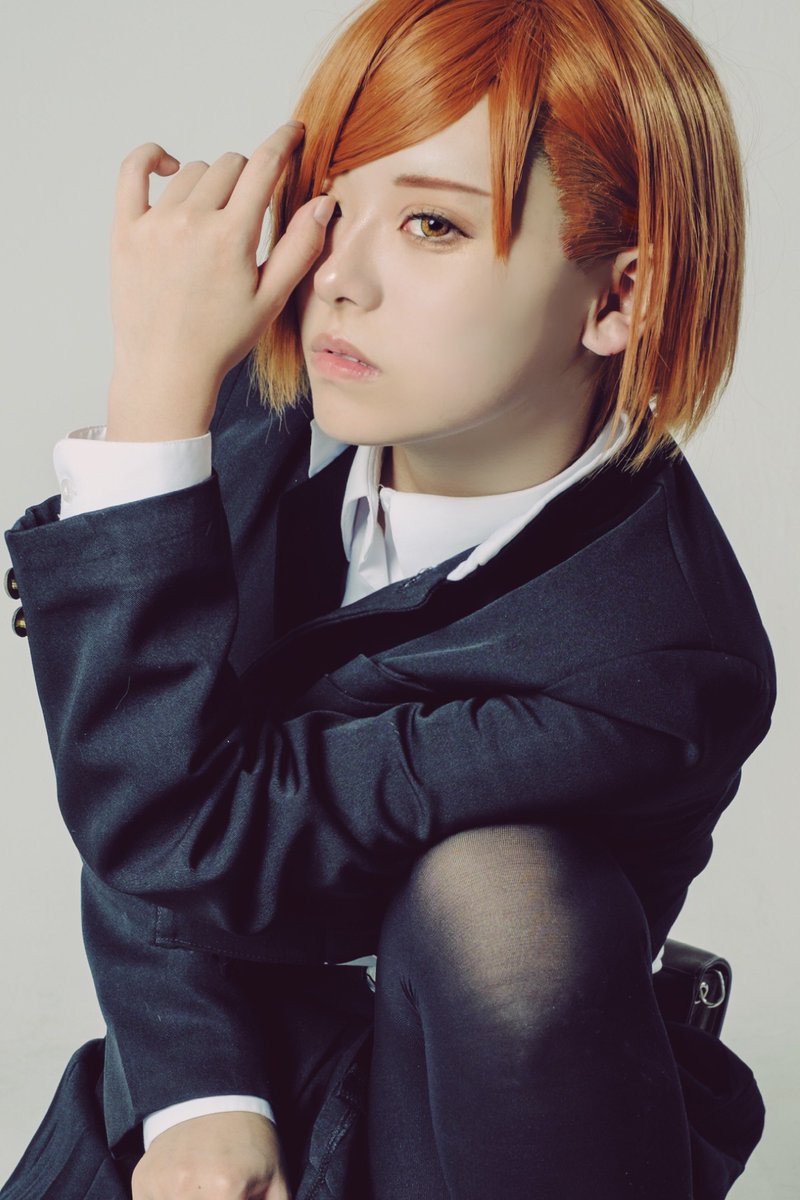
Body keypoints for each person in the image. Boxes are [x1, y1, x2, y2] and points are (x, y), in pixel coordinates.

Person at [2, 0, 774, 1197]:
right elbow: (135, 750)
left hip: (495, 1130)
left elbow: (180, 816)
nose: (335, 282)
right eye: (329, 204)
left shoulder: (651, 663)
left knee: (496, 881)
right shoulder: (268, 412)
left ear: (617, 296)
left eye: (429, 223)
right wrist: (200, 1095)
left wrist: (153, 392)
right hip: (201, 1076)